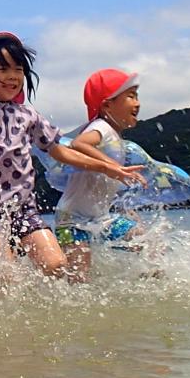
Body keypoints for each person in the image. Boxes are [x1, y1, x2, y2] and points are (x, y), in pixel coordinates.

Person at [0, 33, 139, 277]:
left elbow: (60, 151)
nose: (13, 76)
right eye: (3, 68)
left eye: (18, 69)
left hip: (25, 210)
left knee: (57, 267)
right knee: (7, 276)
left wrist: (105, 167)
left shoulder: (28, 115)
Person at [55, 68, 147, 282]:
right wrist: (111, 166)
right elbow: (79, 144)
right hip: (71, 221)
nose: (137, 103)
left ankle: (147, 285)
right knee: (78, 277)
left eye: (137, 96)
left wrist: (127, 210)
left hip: (101, 219)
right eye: (130, 96)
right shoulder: (101, 127)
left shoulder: (116, 138)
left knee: (146, 240)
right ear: (107, 105)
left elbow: (105, 184)